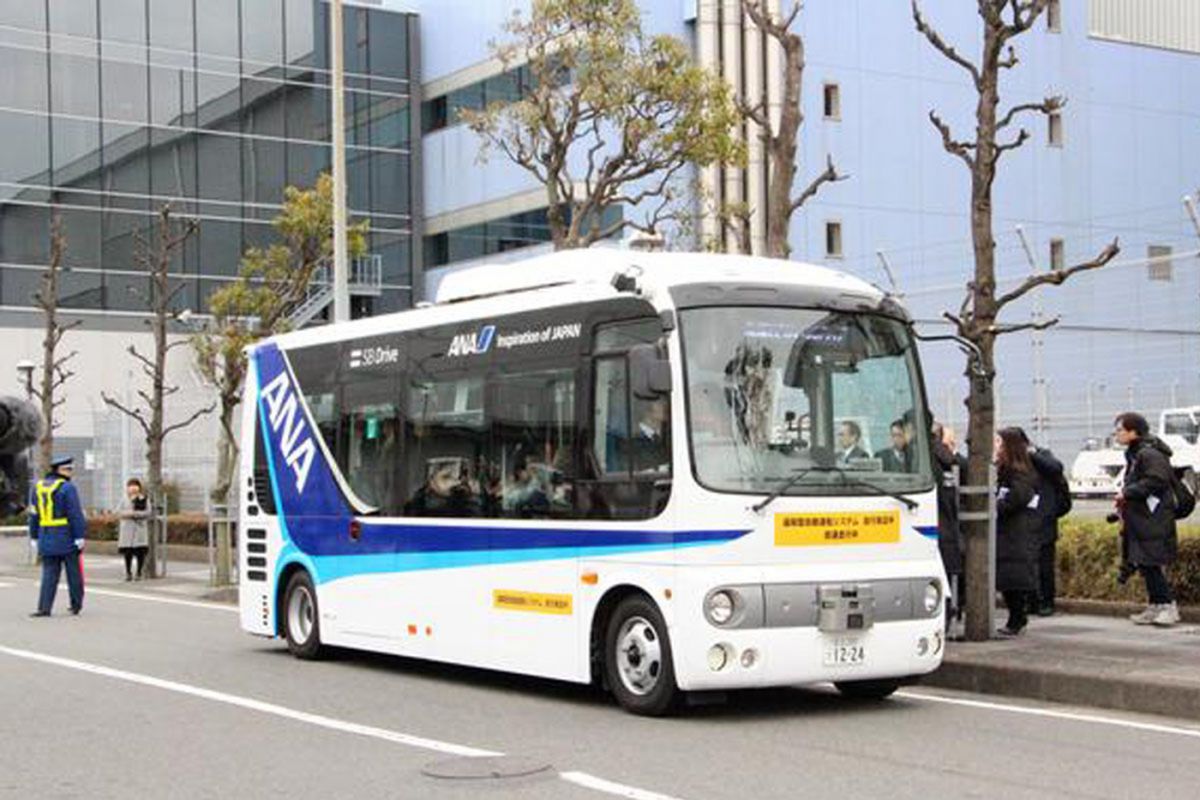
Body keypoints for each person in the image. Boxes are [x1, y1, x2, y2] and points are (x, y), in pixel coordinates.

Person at [1113, 412, 1180, 627]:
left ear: (1134, 432)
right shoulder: (1135, 454)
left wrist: (1128, 492)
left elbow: (1157, 480)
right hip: (1142, 517)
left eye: (1120, 430)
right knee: (1144, 562)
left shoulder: (1149, 454)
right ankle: (1155, 605)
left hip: (1154, 517)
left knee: (1151, 562)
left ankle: (1168, 606)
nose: (1117, 434)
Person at [1013, 428, 1071, 616]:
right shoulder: (1012, 462)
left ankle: (1046, 601)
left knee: (1044, 564)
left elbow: (1056, 468)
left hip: (1043, 519)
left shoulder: (1040, 455)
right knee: (1027, 563)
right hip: (1024, 520)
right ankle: (1031, 600)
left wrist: (1031, 453)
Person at [994, 427, 1041, 636]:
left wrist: (997, 506)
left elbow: (1019, 496)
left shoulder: (1020, 471)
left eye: (1000, 444)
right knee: (1009, 577)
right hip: (1010, 531)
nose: (996, 448)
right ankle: (1016, 616)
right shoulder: (1007, 468)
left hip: (1016, 531)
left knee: (1013, 577)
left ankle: (1017, 618)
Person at [27, 455, 87, 617]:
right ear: (58, 470)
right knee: (73, 572)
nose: (70, 472)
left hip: (46, 535)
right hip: (66, 536)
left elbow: (34, 514)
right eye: (67, 469)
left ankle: (44, 608)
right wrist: (80, 536)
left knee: (49, 573)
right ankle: (76, 605)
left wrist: (34, 536)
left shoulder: (37, 488)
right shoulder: (68, 488)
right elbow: (75, 514)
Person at [930, 421, 964, 629]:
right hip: (946, 528)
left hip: (943, 528)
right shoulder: (945, 460)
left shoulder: (934, 460)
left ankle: (948, 616)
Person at [117, 477, 151, 581]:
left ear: (139, 488)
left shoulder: (144, 498)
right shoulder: (124, 499)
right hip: (127, 529)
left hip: (139, 529)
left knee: (140, 552)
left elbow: (148, 512)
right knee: (128, 553)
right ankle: (128, 572)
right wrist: (129, 513)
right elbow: (118, 511)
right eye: (131, 486)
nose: (133, 488)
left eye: (135, 486)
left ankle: (139, 572)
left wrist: (136, 514)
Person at [630, 396, 670, 473]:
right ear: (647, 409)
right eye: (659, 403)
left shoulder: (668, 436)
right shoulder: (630, 441)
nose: (665, 405)